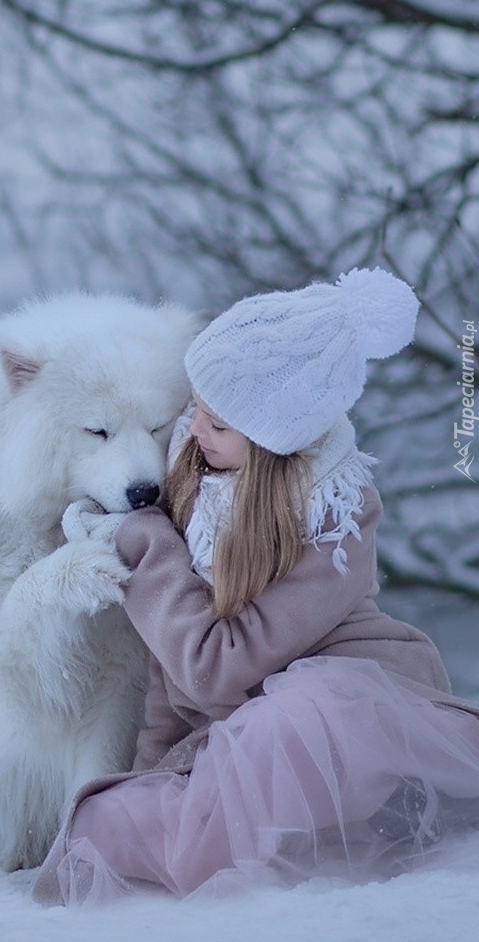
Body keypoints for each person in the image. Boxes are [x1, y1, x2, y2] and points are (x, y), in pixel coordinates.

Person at [33, 267, 479, 907]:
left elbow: (217, 663)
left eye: (217, 424)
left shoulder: (335, 518)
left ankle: (376, 813)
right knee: (107, 825)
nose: (192, 432)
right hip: (237, 729)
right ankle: (277, 830)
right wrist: (154, 771)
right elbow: (173, 665)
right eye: (196, 411)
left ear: (273, 440)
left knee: (288, 716)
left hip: (341, 716)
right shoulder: (198, 474)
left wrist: (142, 541)